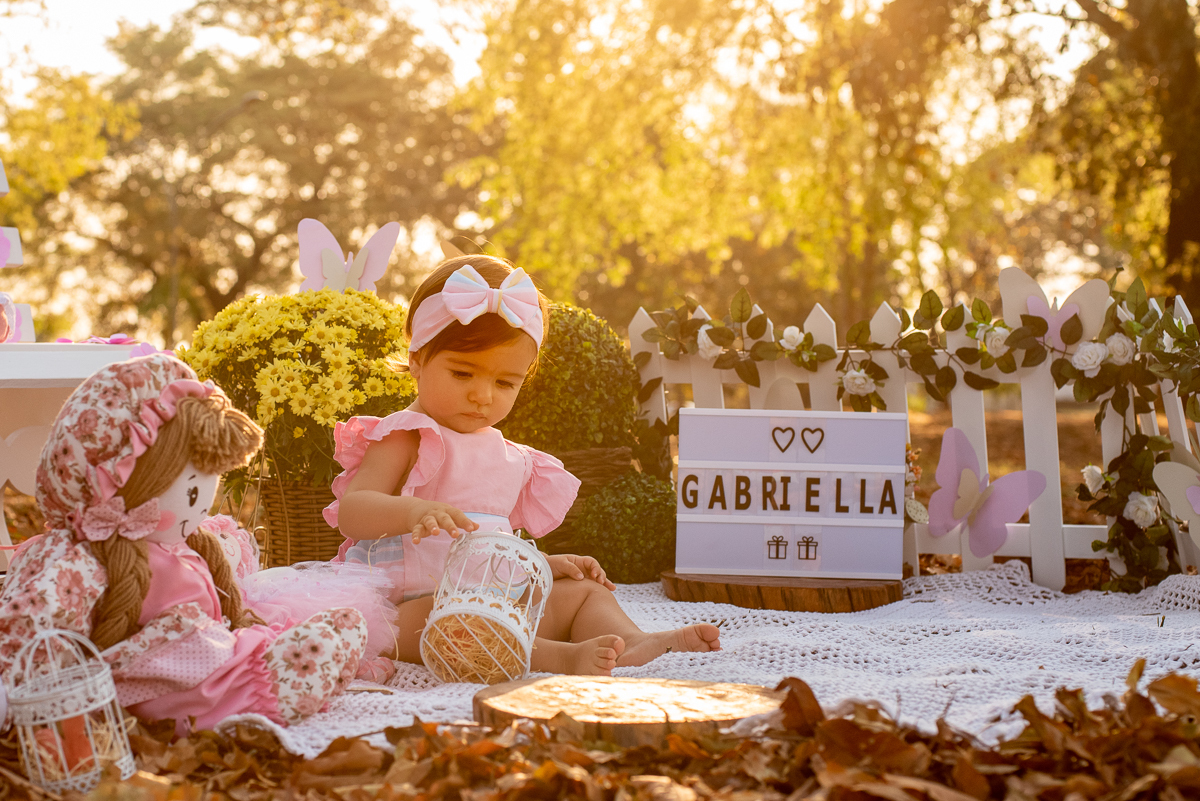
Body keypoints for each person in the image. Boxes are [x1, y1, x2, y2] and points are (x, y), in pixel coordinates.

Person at [324, 255, 721, 676]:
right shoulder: (406, 434)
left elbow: (489, 546)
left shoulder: (507, 455)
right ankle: (557, 656)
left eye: (504, 383)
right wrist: (412, 511)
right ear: (418, 359)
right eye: (463, 374)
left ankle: (633, 640)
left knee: (584, 592)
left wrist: (543, 565)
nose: (482, 395)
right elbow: (353, 511)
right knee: (462, 622)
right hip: (410, 610)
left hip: (495, 598)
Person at [0, 354, 368, 734]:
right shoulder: (84, 562)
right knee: (299, 645)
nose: (201, 505)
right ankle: (266, 690)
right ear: (118, 486)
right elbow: (32, 625)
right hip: (163, 682)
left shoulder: (185, 543)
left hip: (214, 652)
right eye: (191, 490)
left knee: (312, 628)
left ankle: (284, 671)